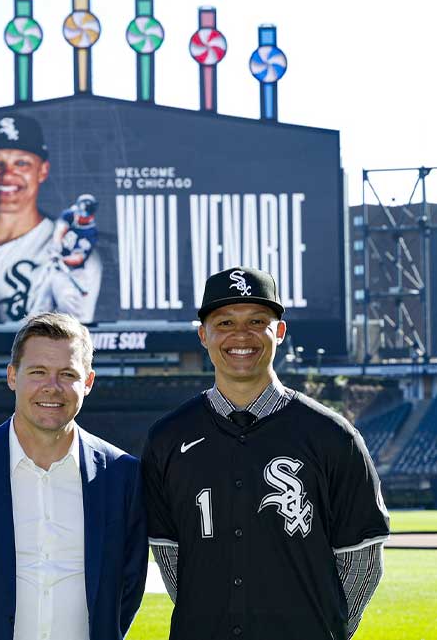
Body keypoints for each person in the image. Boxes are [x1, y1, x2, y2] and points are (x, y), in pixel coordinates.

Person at [141, 266, 390, 640]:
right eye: (224, 322)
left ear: (280, 332)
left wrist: (323, 626)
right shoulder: (168, 438)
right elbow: (170, 557)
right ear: (203, 335)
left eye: (257, 320)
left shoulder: (332, 436)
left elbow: (362, 558)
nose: (241, 334)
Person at [0, 312, 147, 640]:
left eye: (67, 374)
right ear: (12, 376)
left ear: (88, 382)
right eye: (38, 372)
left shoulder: (122, 475)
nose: (52, 388)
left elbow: (129, 585)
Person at [0, 114, 102, 323]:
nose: (7, 175)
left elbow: (74, 331)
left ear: (42, 170)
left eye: (22, 163)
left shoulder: (75, 249)